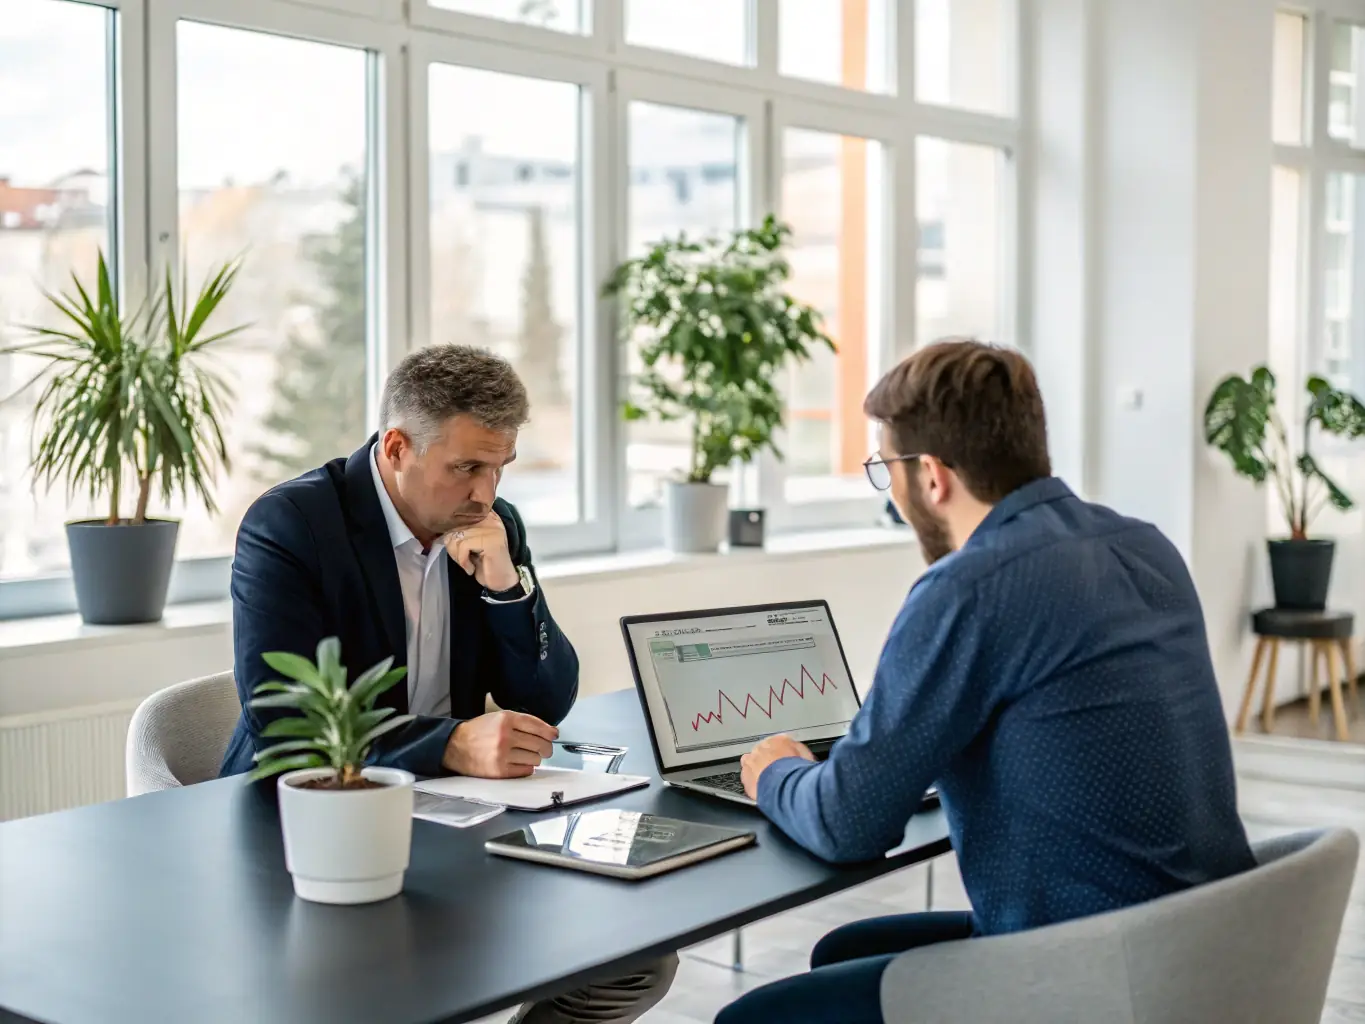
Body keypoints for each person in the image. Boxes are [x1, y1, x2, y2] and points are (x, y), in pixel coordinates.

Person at [719, 340, 1256, 1024]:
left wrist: (774, 774)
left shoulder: (968, 588)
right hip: (1204, 947)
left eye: (887, 472)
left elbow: (845, 822)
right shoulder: (1142, 545)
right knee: (845, 949)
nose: (895, 499)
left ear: (933, 476)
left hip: (1084, 976)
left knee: (751, 1020)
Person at [222, 344, 676, 1024]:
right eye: (466, 467)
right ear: (398, 446)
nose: (484, 495)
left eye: (499, 468)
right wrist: (451, 744)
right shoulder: (292, 526)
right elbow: (283, 715)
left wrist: (503, 587)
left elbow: (547, 698)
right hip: (311, 818)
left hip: (453, 820)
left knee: (634, 959)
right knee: (383, 985)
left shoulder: (495, 528)